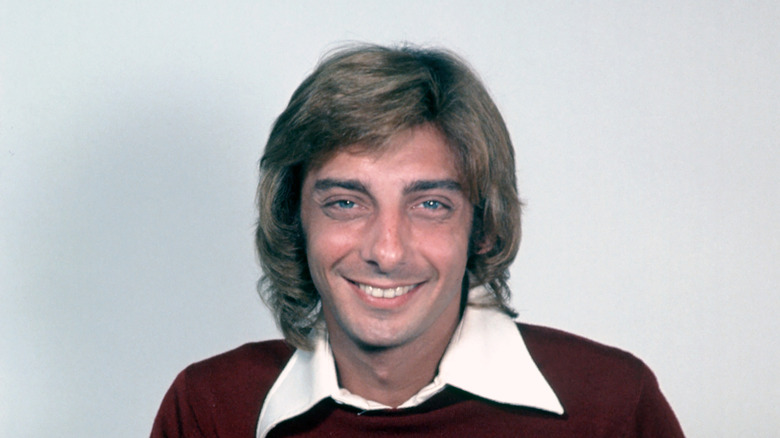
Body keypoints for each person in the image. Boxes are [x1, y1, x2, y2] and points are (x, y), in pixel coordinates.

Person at [151, 44, 684, 437]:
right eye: (345, 203)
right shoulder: (213, 409)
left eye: (430, 205)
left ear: (482, 227)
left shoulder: (609, 404)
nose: (386, 251)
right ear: (294, 219)